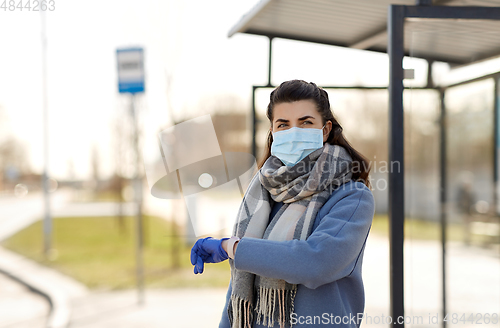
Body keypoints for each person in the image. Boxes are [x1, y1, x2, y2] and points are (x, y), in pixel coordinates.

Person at [190, 80, 375, 328]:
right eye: (283, 125)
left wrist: (232, 247)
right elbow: (240, 287)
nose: (294, 132)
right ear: (273, 132)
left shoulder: (352, 197)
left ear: (325, 129)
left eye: (306, 122)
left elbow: (316, 263)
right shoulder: (263, 191)